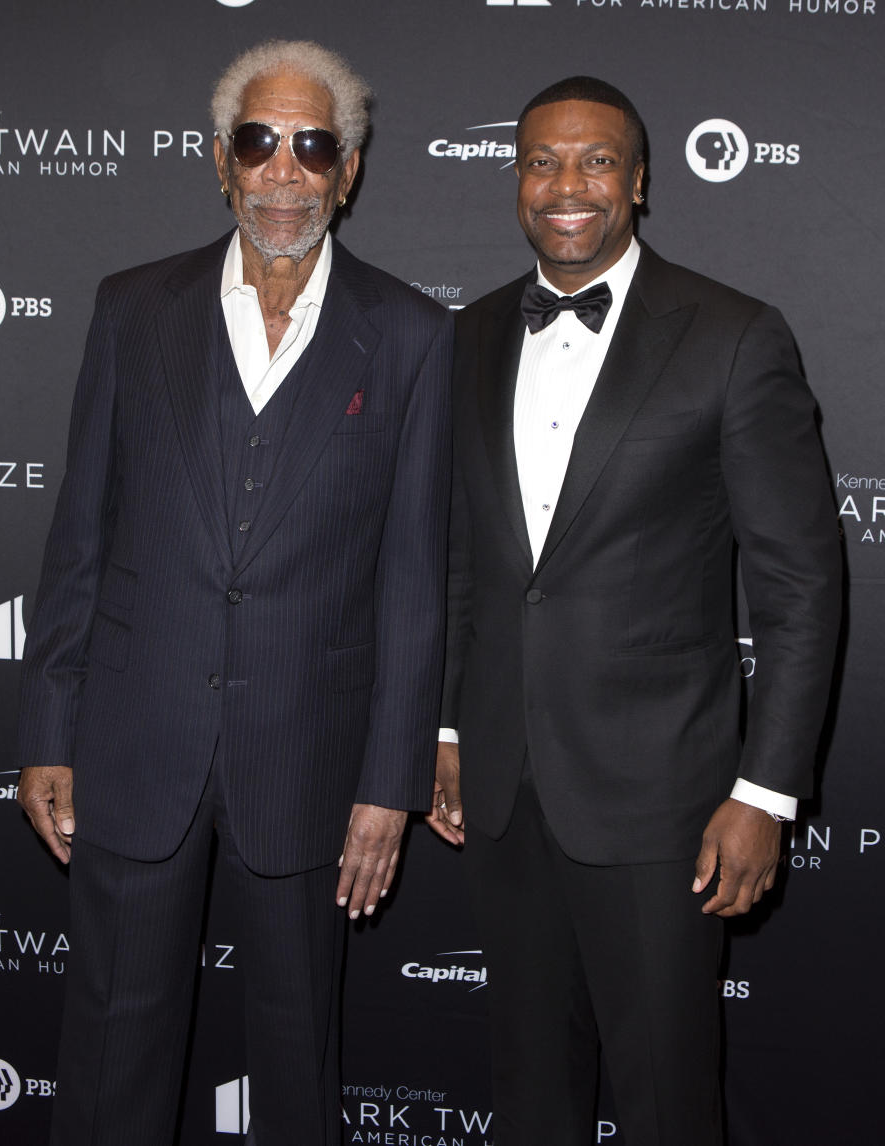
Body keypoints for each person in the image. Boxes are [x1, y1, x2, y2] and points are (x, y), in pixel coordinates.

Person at [16, 39, 451, 1146]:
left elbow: (415, 577)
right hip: (133, 739)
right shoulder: (131, 308)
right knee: (112, 1049)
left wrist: (387, 784)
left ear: (348, 171)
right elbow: (80, 536)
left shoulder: (408, 335)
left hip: (309, 755)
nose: (284, 169)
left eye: (315, 145)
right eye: (260, 141)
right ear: (222, 160)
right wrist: (48, 729)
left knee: (298, 1063)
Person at [427, 76, 840, 1146]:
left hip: (667, 809)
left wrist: (767, 792)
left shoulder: (735, 337)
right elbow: (466, 558)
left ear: (641, 182)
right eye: (542, 162)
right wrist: (448, 726)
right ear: (516, 181)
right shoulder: (465, 341)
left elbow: (798, 587)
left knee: (666, 1101)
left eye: (596, 161)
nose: (567, 186)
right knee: (530, 1096)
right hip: (508, 797)